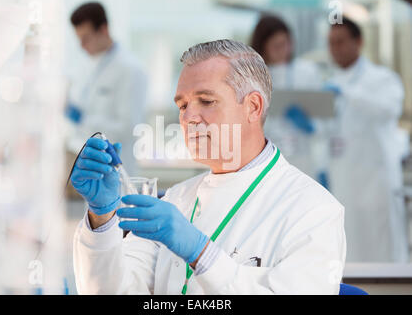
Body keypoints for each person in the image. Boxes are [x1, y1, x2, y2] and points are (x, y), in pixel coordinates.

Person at [71, 39, 346, 295]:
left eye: (206, 101)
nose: (189, 117)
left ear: (253, 106)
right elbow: (114, 291)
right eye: (182, 105)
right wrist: (102, 219)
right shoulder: (177, 200)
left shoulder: (314, 210)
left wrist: (201, 252)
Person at [326, 17, 408, 262]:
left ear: (358, 42)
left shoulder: (382, 78)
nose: (335, 49)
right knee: (349, 250)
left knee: (384, 248)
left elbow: (390, 108)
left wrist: (350, 94)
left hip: (377, 182)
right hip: (343, 182)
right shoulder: (330, 83)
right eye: (331, 43)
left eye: (340, 42)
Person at [66, 2, 147, 178]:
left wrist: (82, 119)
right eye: (78, 39)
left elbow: (128, 127)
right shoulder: (90, 66)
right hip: (89, 165)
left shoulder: (130, 69)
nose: (81, 46)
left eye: (85, 38)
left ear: (103, 29)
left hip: (117, 171)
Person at [250, 15, 329, 187]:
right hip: (265, 161)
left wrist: (311, 125)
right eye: (276, 46)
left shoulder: (307, 71)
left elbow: (324, 120)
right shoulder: (252, 77)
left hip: (303, 160)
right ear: (263, 47)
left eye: (286, 44)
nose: (283, 50)